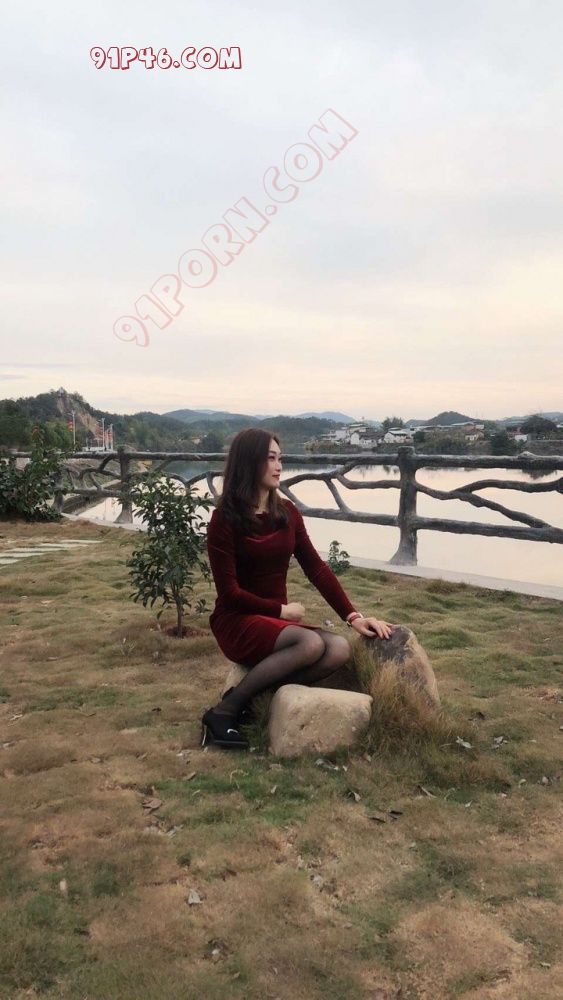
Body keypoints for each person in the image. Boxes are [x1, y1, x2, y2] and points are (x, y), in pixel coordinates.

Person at [201, 428, 396, 749]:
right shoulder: (224, 520)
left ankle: (251, 698)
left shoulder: (287, 513)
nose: (279, 466)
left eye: (280, 458)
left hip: (275, 625)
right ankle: (224, 712)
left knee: (339, 649)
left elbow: (316, 568)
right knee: (310, 643)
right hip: (237, 621)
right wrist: (280, 611)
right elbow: (229, 594)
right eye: (270, 458)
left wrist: (353, 616)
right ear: (249, 463)